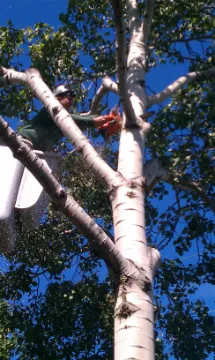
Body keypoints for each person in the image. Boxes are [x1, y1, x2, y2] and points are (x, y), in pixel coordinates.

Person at [19, 85, 108, 151]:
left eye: (72, 99)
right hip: (23, 141)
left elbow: (77, 122)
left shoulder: (62, 121)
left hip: (38, 151)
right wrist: (93, 121)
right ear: (57, 97)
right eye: (68, 97)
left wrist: (103, 120)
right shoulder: (51, 107)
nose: (71, 100)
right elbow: (73, 119)